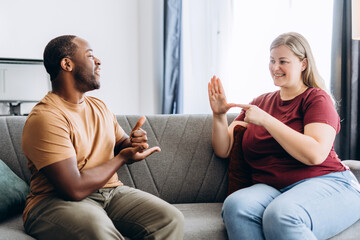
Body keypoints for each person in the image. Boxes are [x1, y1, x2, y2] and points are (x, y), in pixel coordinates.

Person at [21, 35, 184, 240]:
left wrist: (134, 144)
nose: (98, 61)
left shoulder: (99, 107)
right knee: (98, 230)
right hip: (52, 202)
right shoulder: (46, 117)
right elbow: (74, 188)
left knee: (170, 219)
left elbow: (121, 143)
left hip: (109, 193)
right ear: (67, 64)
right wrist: (122, 157)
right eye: (90, 55)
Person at [208, 32, 360, 240]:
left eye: (283, 61)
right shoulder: (260, 102)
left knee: (281, 213)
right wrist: (219, 115)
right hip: (273, 188)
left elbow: (314, 155)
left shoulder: (316, 98)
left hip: (327, 182)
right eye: (272, 61)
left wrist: (267, 121)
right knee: (236, 205)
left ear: (303, 64)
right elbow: (223, 149)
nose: (274, 67)